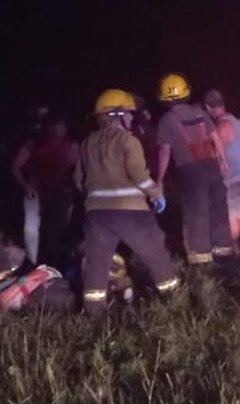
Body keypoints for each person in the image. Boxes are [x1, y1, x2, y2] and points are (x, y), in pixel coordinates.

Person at [76, 88, 181, 312]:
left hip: (96, 214)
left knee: (97, 265)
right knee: (155, 253)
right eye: (129, 113)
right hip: (130, 212)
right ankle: (174, 301)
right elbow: (141, 179)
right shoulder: (128, 141)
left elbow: (79, 181)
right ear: (117, 115)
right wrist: (157, 194)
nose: (132, 117)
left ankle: (94, 313)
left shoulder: (87, 143)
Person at [154, 73, 234, 265]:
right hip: (212, 166)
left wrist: (159, 179)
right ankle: (223, 253)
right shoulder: (200, 112)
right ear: (186, 91)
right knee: (218, 208)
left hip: (190, 171)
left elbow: (165, 152)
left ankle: (200, 258)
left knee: (195, 213)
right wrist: (223, 162)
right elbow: (215, 138)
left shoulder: (167, 120)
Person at [11, 114, 78, 266]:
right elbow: (15, 166)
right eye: (54, 126)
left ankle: (56, 265)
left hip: (61, 194)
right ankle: (33, 265)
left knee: (57, 231)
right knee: (31, 231)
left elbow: (77, 169)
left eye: (61, 126)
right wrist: (26, 186)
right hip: (35, 193)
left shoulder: (71, 146)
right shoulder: (33, 144)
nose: (58, 130)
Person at [202, 89, 240, 240]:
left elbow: (216, 152)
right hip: (237, 174)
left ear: (208, 108)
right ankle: (231, 246)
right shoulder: (231, 119)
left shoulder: (224, 124)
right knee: (234, 213)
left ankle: (229, 246)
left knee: (231, 214)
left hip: (231, 177)